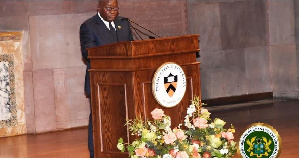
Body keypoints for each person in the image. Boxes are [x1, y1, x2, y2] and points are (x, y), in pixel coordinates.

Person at [79, 0, 133, 158]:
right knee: (99, 119)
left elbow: (131, 48)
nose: (113, 11)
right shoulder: (88, 26)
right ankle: (96, 154)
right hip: (100, 82)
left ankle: (122, 152)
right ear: (99, 8)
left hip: (125, 82)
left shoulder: (123, 24)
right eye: (109, 8)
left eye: (115, 8)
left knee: (124, 117)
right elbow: (87, 53)